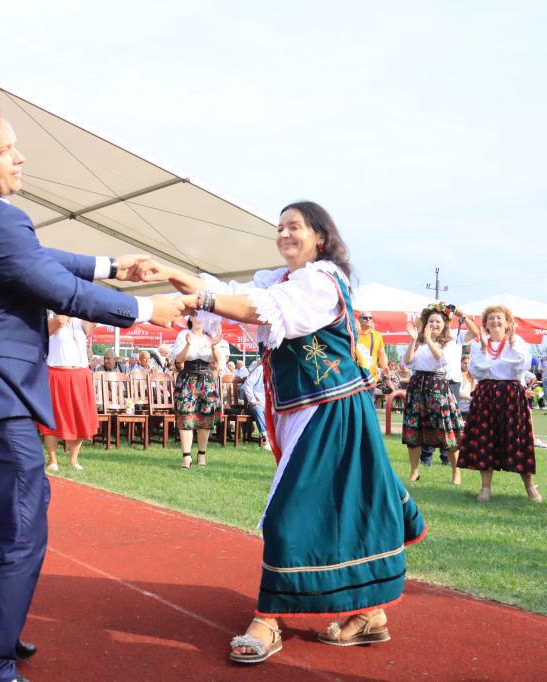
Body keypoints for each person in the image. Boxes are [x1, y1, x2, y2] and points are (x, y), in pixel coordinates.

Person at [0, 107, 189, 682]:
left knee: (27, 515)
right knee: (22, 528)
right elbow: (55, 286)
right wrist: (144, 308)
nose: (19, 158)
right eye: (7, 150)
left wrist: (115, 265)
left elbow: (40, 258)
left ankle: (1, 635)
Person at [144, 201, 426, 664]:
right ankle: (371, 614)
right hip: (305, 411)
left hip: (331, 410)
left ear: (320, 236)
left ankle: (269, 620)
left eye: (294, 227)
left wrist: (200, 300)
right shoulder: (279, 279)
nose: (283, 234)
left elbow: (259, 310)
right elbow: (230, 292)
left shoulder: (319, 282)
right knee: (344, 508)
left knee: (289, 514)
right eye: (279, 228)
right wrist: (168, 272)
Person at [457, 306, 541, 502]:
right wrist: (486, 349)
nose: (495, 321)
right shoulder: (478, 345)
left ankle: (530, 487)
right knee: (486, 439)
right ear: (485, 324)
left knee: (518, 440)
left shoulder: (518, 342)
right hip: (486, 394)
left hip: (511, 394)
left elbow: (521, 367)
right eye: (491, 318)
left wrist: (511, 342)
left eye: (499, 318)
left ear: (507, 322)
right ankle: (485, 488)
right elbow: (478, 373)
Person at [400, 303, 465, 484]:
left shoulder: (449, 343)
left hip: (437, 387)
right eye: (430, 321)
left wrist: (429, 339)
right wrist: (414, 340)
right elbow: (408, 361)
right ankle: (414, 471)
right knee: (414, 429)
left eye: (437, 321)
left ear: (444, 324)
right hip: (417, 386)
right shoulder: (419, 341)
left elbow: (441, 359)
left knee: (445, 430)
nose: (434, 324)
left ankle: (456, 472)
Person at [38, 314, 97, 471]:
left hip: (79, 374)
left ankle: (73, 460)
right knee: (54, 417)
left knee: (79, 416)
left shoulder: (80, 322)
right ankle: (52, 460)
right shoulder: (52, 319)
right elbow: (59, 322)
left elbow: (92, 323)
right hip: (57, 373)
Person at [172, 312, 220, 468]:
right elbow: (179, 360)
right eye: (198, 315)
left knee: (205, 417)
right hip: (187, 377)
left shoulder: (210, 336)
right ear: (190, 318)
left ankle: (201, 455)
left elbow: (217, 360)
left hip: (206, 378)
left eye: (203, 316)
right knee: (185, 416)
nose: (201, 319)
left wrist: (213, 345)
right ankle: (187, 456)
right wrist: (188, 344)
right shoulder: (183, 335)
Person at [241, 358, 270, 450]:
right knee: (258, 409)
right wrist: (253, 401)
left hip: (272, 405)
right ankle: (266, 438)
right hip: (258, 404)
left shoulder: (280, 371)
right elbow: (247, 384)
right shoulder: (260, 369)